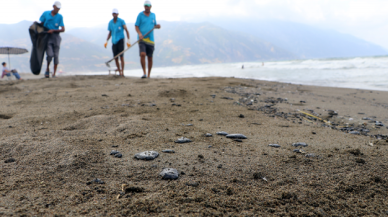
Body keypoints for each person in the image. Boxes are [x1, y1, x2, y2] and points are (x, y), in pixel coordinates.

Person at [135, 0, 161, 78]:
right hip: (142, 39)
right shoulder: (140, 15)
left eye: (148, 6)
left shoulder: (153, 15)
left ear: (150, 7)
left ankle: (149, 75)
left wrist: (157, 26)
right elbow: (136, 26)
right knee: (143, 54)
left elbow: (154, 25)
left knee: (150, 57)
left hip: (151, 40)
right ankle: (144, 73)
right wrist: (140, 34)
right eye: (145, 6)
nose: (146, 7)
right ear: (144, 7)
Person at [39, 1, 65, 78]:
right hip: (47, 37)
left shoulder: (60, 16)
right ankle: (47, 69)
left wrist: (53, 30)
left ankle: (54, 73)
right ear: (53, 6)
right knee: (50, 54)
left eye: (59, 9)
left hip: (56, 37)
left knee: (56, 55)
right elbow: (41, 23)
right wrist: (36, 24)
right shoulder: (46, 13)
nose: (58, 10)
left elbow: (63, 29)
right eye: (57, 8)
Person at [105, 8, 130, 77]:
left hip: (121, 40)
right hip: (114, 41)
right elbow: (110, 32)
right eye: (113, 13)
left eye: (115, 13)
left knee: (121, 56)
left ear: (117, 14)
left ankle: (122, 72)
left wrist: (128, 40)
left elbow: (126, 30)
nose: (114, 15)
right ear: (112, 14)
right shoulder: (110, 23)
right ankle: (119, 71)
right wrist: (106, 41)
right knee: (116, 57)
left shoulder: (121, 21)